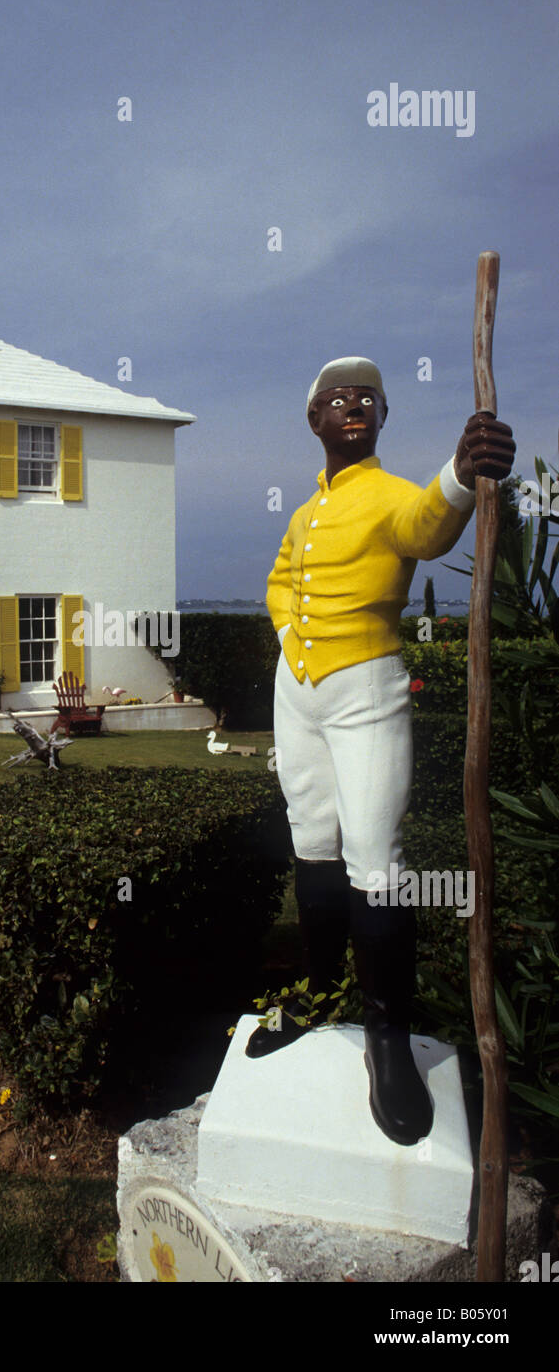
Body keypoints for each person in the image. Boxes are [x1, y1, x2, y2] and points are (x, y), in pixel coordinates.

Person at [248, 356, 515, 1147]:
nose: (352, 405)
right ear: (314, 421)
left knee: (375, 858)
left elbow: (428, 525)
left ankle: (386, 1035)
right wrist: (291, 636)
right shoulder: (304, 513)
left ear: (381, 416)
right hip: (295, 690)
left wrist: (461, 474)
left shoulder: (389, 494)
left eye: (366, 397)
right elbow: (277, 581)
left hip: (365, 685)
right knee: (312, 837)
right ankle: (321, 990)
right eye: (336, 399)